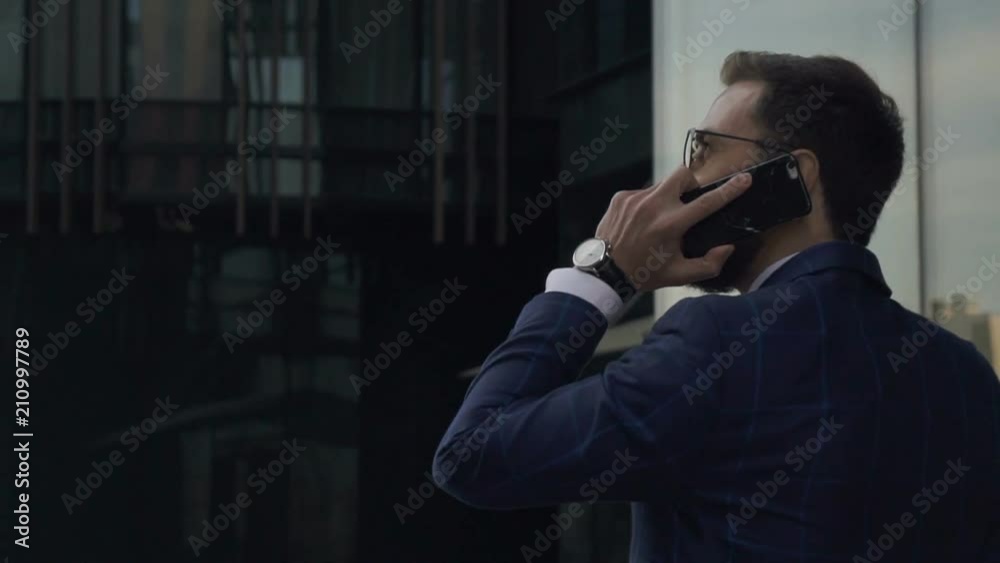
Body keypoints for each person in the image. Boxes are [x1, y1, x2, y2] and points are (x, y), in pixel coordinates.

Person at [433, 51, 1000, 561]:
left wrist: (601, 274)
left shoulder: (718, 343)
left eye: (702, 151)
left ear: (791, 177)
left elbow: (474, 455)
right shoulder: (965, 374)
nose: (679, 184)